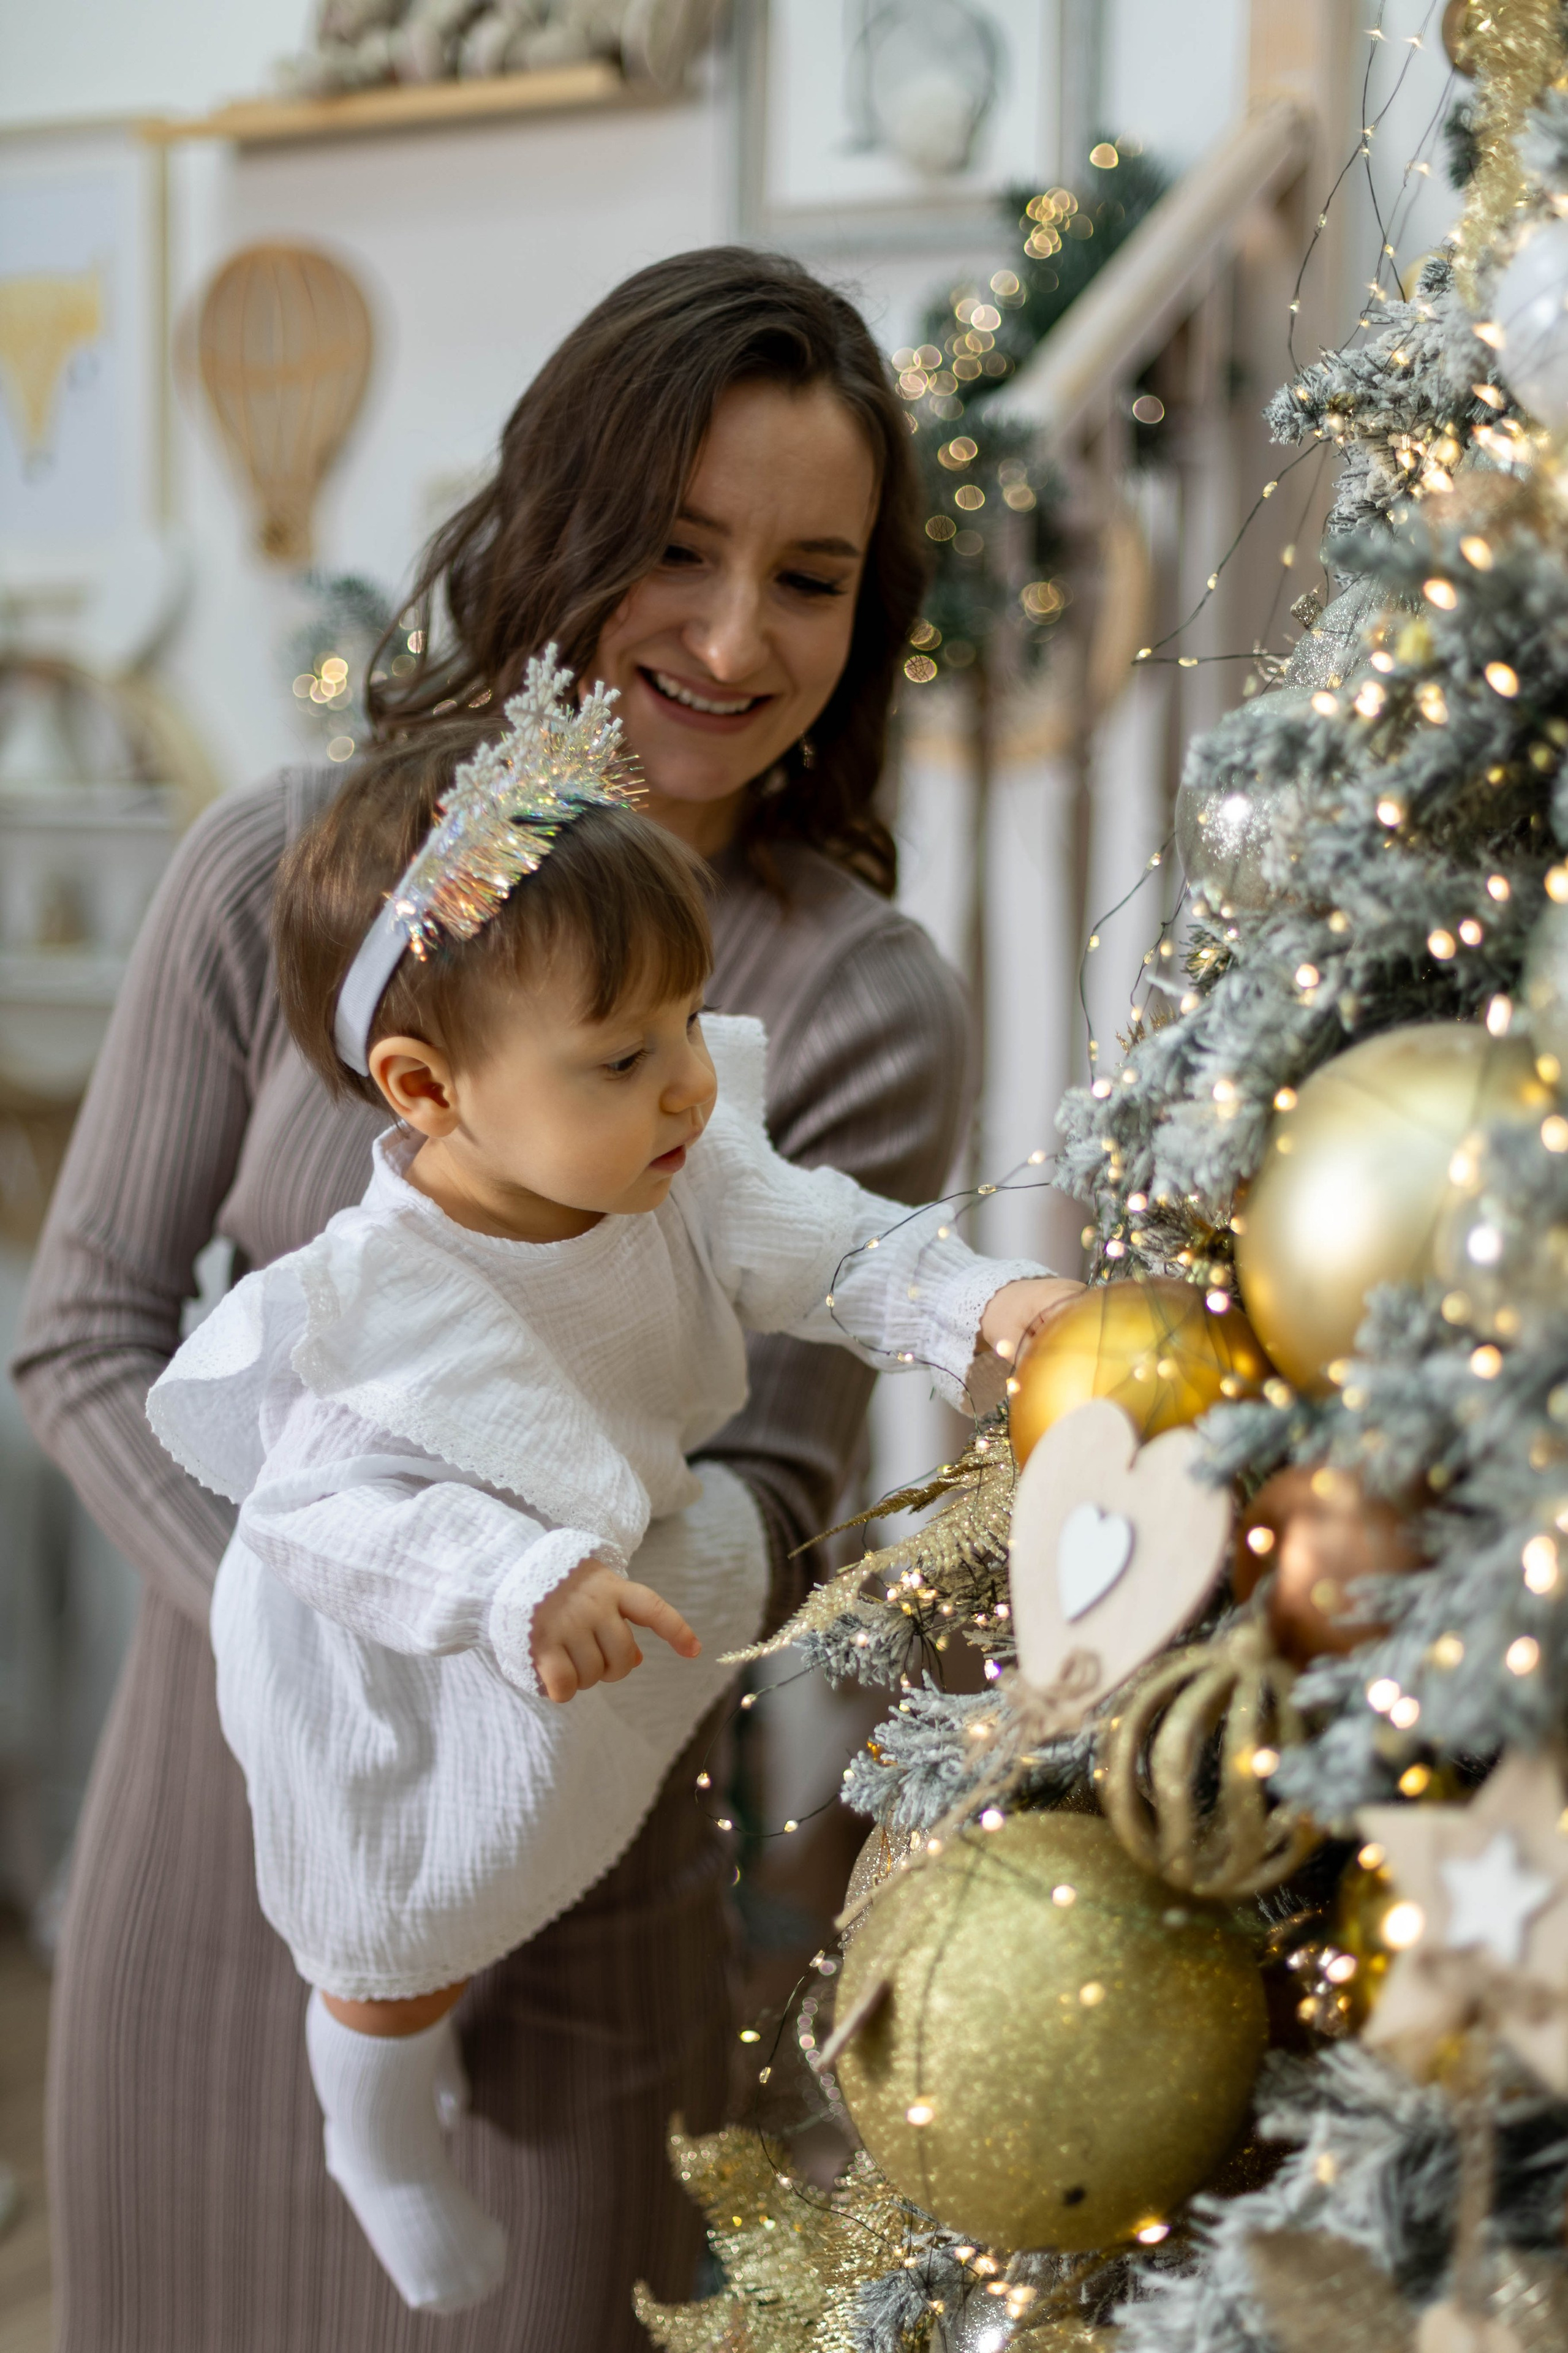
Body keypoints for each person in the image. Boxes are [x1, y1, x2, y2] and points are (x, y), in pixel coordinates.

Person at [13, 247, 987, 2352]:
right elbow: (81, 1332)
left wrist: (511, 1670)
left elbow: (776, 1490)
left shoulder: (850, 1000)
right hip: (223, 1839)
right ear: (555, 528)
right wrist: (319, 1632)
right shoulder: (291, 882)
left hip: (574, 1886)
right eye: (672, 547)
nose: (737, 637)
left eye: (811, 576)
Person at [146, 666, 1067, 2313]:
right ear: (431, 1093)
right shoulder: (374, 1301)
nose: (689, 1085)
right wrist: (508, 1583)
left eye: (686, 1023)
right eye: (624, 1054)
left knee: (583, 1765)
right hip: (383, 1638)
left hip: (605, 1568)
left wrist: (980, 1303)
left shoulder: (681, 1166)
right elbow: (320, 1515)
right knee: (395, 1934)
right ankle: (380, 2127)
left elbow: (841, 1245)